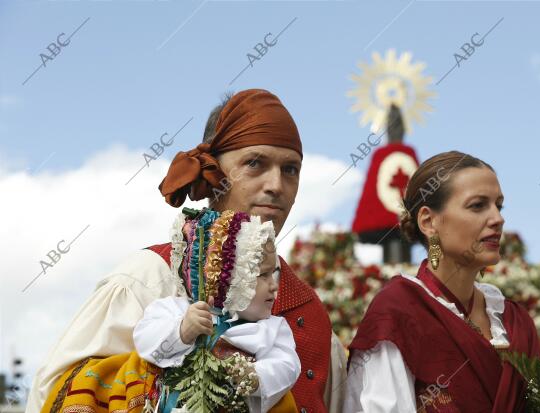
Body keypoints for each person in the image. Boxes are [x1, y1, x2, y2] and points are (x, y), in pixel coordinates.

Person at [27, 89, 346, 413]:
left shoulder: (313, 313)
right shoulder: (148, 277)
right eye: (254, 163)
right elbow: (51, 397)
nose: (276, 185)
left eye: (290, 169)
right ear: (214, 173)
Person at [343, 151, 540, 412]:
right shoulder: (398, 313)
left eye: (498, 205)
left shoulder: (515, 321)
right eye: (478, 205)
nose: (497, 219)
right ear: (428, 221)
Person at [134, 212, 300, 412]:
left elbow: (287, 366)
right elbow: (145, 341)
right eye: (262, 275)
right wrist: (183, 331)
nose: (274, 286)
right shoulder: (178, 309)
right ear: (227, 279)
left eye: (273, 274)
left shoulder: (273, 328)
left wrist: (254, 377)